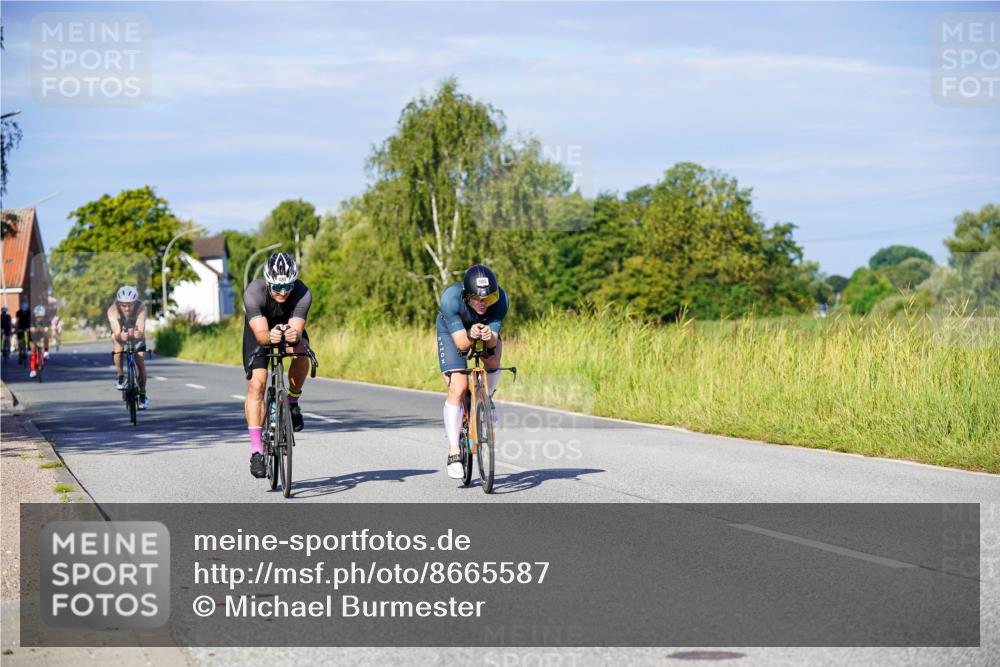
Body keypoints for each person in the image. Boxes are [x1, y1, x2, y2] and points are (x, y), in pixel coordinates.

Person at [243, 252, 312, 479]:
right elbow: (262, 335)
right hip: (260, 330)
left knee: (301, 353)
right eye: (276, 288)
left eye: (287, 287)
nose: (282, 293)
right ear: (267, 281)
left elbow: (296, 331)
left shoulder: (302, 293)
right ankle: (256, 451)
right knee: (258, 384)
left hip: (288, 326)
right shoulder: (254, 292)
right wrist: (269, 336)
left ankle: (292, 402)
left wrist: (292, 335)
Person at [436, 263, 509, 479]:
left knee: (494, 357)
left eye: (487, 298)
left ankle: (488, 399)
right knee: (458, 388)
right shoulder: (451, 298)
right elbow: (461, 345)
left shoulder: (501, 301)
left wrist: (488, 336)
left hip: (480, 329)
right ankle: (453, 451)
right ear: (467, 296)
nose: (483, 303)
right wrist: (472, 334)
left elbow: (493, 343)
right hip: (453, 333)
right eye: (477, 298)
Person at [108, 286, 149, 409]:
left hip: (136, 334)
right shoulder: (112, 310)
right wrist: (121, 335)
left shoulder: (141, 307)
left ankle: (142, 396)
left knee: (140, 363)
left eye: (130, 305)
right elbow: (116, 331)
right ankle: (120, 377)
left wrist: (139, 333)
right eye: (124, 305)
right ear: (119, 303)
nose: (127, 308)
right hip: (120, 333)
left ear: (135, 302)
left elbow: (141, 325)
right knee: (118, 351)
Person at [28, 305, 50, 378]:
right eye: (38, 316)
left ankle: (46, 352)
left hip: (41, 334)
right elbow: (30, 327)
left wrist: (47, 328)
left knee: (46, 336)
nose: (39, 318)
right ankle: (33, 370)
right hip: (33, 335)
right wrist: (32, 328)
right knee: (33, 350)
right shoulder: (32, 319)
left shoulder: (46, 319)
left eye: (41, 316)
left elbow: (48, 325)